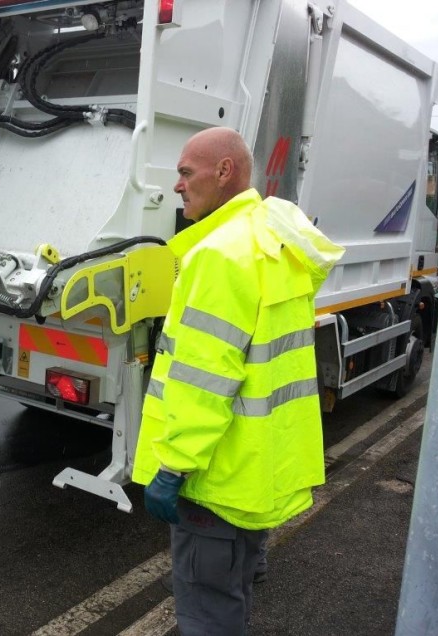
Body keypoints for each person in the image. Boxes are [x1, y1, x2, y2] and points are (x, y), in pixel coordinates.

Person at [132, 127, 344, 635]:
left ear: (224, 171)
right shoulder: (273, 239)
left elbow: (204, 379)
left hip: (214, 481)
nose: (178, 186)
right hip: (255, 472)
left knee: (208, 615)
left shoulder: (219, 255)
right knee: (234, 597)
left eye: (186, 172)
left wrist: (174, 468)